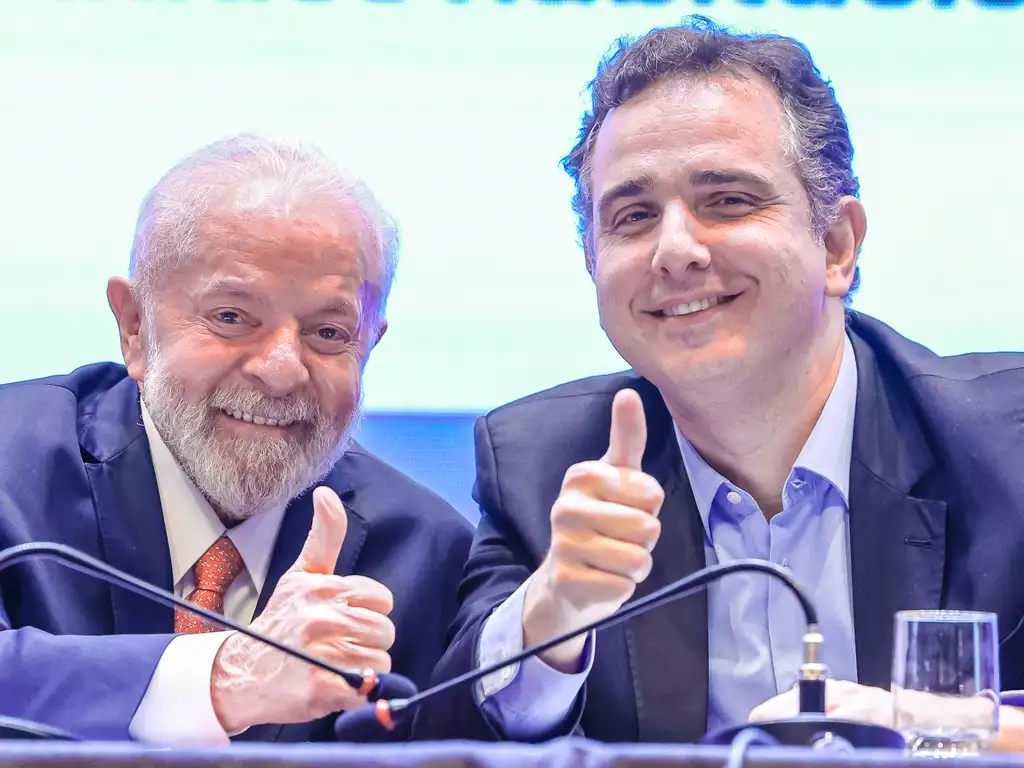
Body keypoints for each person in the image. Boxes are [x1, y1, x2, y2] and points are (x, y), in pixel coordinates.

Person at [417, 17, 1024, 748]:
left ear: (836, 245)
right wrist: (552, 619)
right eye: (633, 216)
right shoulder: (540, 468)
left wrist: (920, 731)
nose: (674, 250)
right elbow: (443, 741)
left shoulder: (1006, 445)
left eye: (728, 200)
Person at [0, 135, 472, 744]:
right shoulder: (12, 463)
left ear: (369, 346)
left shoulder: (427, 554)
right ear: (134, 325)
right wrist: (227, 677)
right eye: (231, 317)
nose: (281, 369)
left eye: (328, 332)